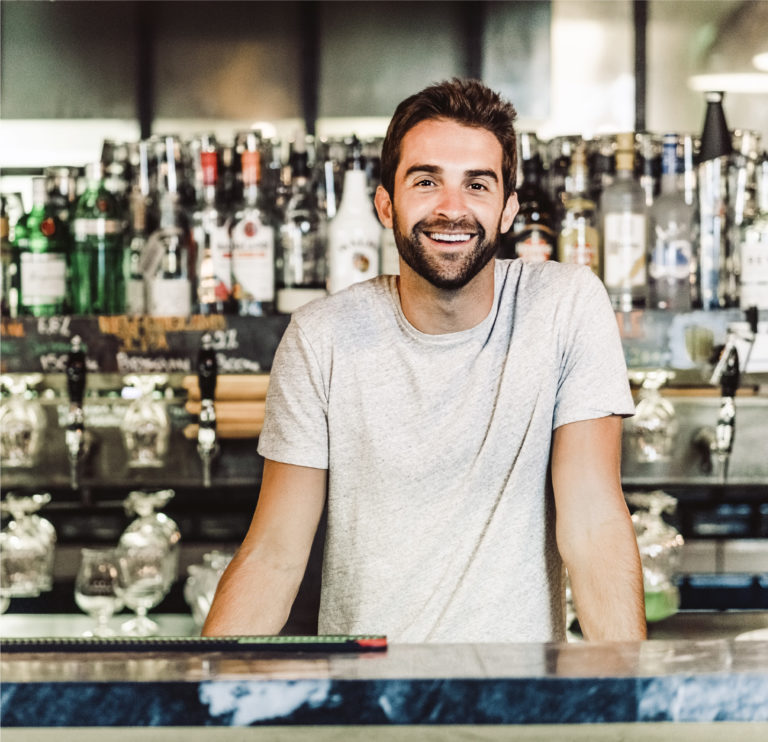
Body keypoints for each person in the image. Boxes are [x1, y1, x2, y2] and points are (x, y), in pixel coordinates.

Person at [203, 78, 647, 643]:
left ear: (509, 208)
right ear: (386, 203)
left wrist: (633, 701)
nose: (452, 208)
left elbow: (593, 525)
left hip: (517, 710)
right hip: (368, 712)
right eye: (427, 180)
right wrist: (197, 693)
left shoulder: (565, 306)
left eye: (478, 184)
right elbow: (274, 554)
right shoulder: (321, 337)